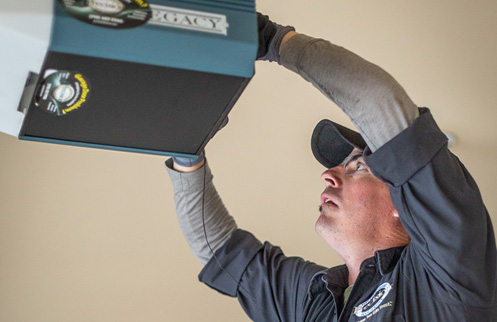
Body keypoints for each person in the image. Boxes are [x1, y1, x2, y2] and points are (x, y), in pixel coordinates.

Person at [166, 13, 497, 321]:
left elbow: (381, 104)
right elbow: (217, 249)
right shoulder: (318, 297)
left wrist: (275, 41)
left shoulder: (445, 271)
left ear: (405, 203)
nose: (328, 175)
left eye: (358, 167)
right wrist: (187, 153)